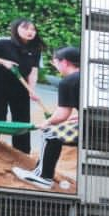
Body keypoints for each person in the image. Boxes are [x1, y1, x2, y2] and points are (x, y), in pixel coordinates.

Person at [12, 46, 80, 190]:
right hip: (102, 125)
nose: (55, 66)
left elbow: (62, 115)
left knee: (49, 133)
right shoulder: (90, 76)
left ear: (65, 62)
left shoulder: (68, 82)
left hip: (90, 129)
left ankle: (42, 177)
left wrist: (47, 122)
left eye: (55, 62)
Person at [0, 19, 44, 155]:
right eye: (26, 28)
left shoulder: (35, 49)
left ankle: (22, 153)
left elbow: (33, 71)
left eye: (33, 29)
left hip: (21, 87)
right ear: (16, 29)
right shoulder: (4, 42)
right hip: (0, 83)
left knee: (22, 120)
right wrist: (3, 62)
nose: (30, 32)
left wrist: (31, 90)